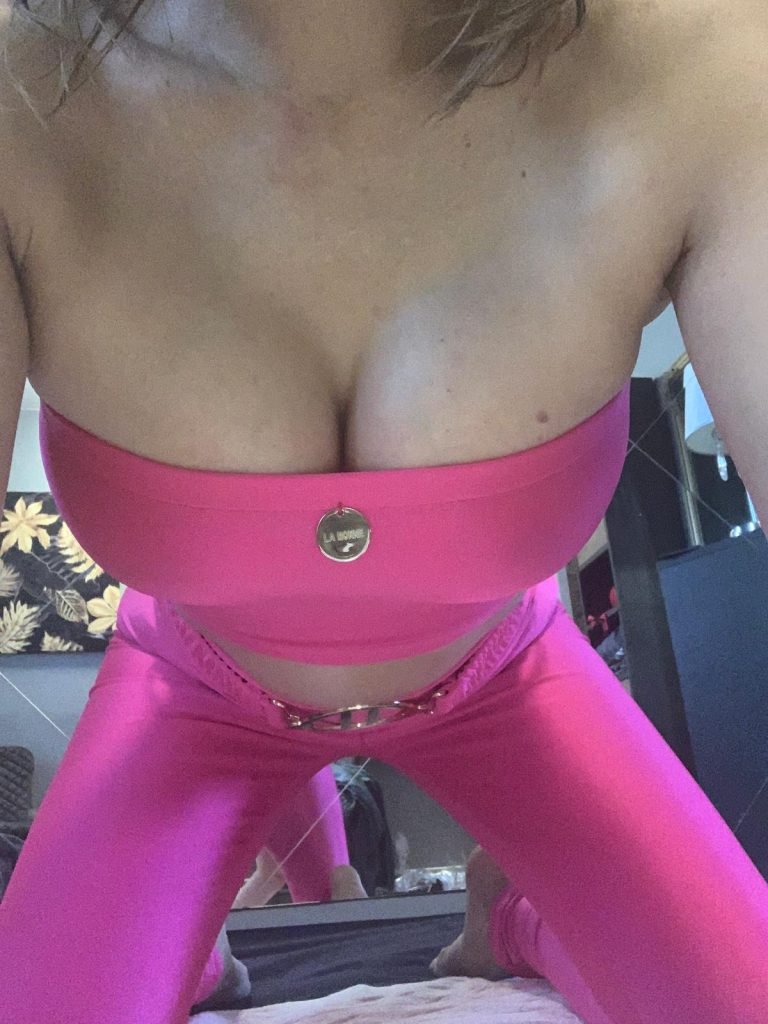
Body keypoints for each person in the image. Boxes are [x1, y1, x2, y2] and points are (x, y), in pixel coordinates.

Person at [0, 2, 767, 1022]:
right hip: (195, 690)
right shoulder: (20, 100)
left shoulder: (702, 64)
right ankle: (184, 949)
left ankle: (510, 921)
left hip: (503, 676)